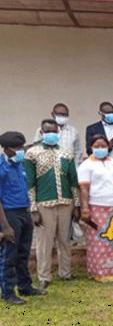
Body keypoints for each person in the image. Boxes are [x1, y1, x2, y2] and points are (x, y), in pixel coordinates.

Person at [25, 119, 80, 290]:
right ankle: (44, 275)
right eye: (48, 131)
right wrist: (33, 209)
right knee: (45, 242)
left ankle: (65, 272)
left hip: (65, 203)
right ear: (41, 133)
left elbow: (73, 180)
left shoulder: (67, 152)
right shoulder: (32, 153)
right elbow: (30, 183)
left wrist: (76, 205)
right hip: (44, 204)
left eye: (55, 132)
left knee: (64, 240)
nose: (52, 134)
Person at [78, 134, 113, 283]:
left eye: (103, 146)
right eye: (97, 146)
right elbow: (83, 188)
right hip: (97, 207)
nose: (100, 149)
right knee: (99, 241)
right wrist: (84, 208)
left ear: (108, 147)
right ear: (91, 147)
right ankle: (99, 272)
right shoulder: (86, 165)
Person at [0, 132, 44, 305]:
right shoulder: (1, 167)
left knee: (23, 252)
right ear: (6, 149)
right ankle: (8, 292)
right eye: (17, 148)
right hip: (9, 214)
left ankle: (25, 286)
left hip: (24, 211)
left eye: (22, 147)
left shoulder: (20, 165)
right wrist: (5, 227)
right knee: (9, 255)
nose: (20, 151)